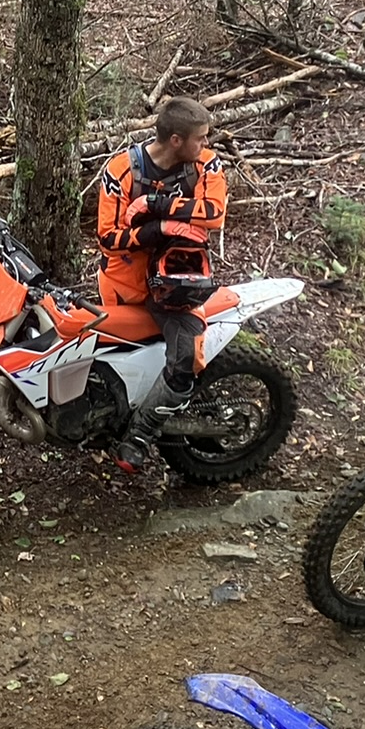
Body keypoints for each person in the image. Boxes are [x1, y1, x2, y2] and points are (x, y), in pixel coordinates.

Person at [97, 97, 229, 472]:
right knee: (106, 360)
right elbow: (108, 236)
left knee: (185, 358)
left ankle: (139, 434)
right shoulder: (122, 169)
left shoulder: (205, 164)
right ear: (175, 139)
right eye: (199, 139)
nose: (205, 145)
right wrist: (160, 231)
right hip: (125, 283)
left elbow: (215, 214)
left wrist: (156, 207)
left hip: (180, 283)